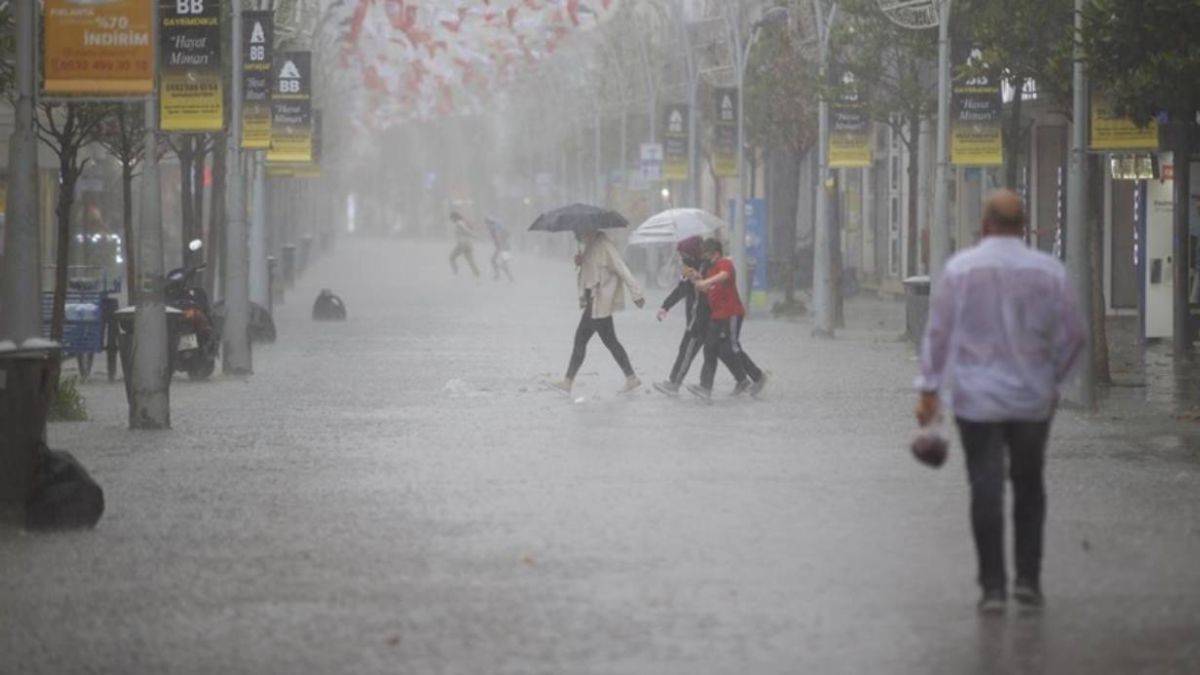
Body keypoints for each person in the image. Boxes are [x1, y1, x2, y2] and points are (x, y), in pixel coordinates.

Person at [915, 189, 1086, 614]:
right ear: (1024, 226)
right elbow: (1076, 336)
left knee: (985, 488)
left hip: (976, 401)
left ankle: (993, 588)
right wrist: (1054, 381)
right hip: (1033, 400)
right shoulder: (1049, 271)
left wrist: (929, 390)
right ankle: (1028, 581)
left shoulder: (959, 270)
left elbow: (937, 334)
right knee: (1030, 486)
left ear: (985, 225)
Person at [550, 228, 645, 395]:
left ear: (590, 230)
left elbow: (622, 268)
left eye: (580, 233)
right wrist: (580, 262)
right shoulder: (590, 246)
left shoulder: (605, 246)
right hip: (593, 304)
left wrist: (636, 293)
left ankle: (568, 381)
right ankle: (631, 377)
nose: (578, 237)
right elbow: (589, 274)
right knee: (608, 341)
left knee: (583, 339)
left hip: (599, 303)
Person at [653, 236, 741, 395]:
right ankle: (744, 379)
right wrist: (665, 306)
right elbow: (681, 289)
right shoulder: (689, 268)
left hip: (702, 319)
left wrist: (698, 279)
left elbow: (710, 289)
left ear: (692, 253)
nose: (681, 258)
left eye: (683, 254)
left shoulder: (707, 267)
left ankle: (675, 383)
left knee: (689, 349)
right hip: (701, 318)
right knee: (719, 351)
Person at [686, 238, 767, 400]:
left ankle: (757, 377)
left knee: (732, 348)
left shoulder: (724, 263)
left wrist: (706, 281)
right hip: (717, 316)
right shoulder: (710, 269)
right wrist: (696, 278)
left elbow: (724, 276)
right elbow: (706, 288)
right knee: (711, 348)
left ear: (716, 254)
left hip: (731, 314)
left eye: (708, 255)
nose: (705, 259)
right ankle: (706, 387)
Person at [448, 211, 480, 279]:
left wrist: (474, 235)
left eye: (451, 218)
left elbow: (466, 230)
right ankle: (477, 275)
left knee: (451, 258)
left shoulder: (459, 223)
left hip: (462, 244)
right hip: (468, 244)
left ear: (454, 217)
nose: (451, 220)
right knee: (470, 261)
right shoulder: (462, 222)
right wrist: (475, 236)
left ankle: (455, 273)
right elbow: (468, 230)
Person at [485, 216, 515, 282]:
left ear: (489, 223)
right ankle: (502, 276)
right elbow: (502, 236)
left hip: (503, 247)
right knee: (497, 262)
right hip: (504, 247)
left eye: (487, 223)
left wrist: (499, 245)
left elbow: (498, 237)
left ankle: (503, 276)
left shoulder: (494, 229)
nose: (486, 225)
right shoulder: (496, 228)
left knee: (499, 263)